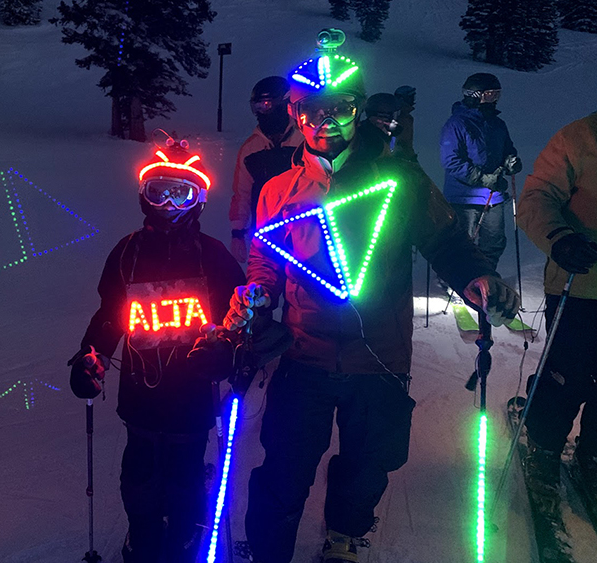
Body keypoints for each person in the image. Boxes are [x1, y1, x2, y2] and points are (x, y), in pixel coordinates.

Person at [223, 29, 519, 563]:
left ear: (356, 110)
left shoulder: (398, 178)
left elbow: (444, 239)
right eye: (310, 108)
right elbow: (266, 260)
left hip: (379, 355)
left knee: (368, 462)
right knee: (285, 463)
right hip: (301, 352)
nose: (323, 120)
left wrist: (477, 277)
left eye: (338, 107)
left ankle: (343, 537)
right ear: (295, 111)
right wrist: (255, 296)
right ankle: (269, 549)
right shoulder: (277, 190)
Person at [69, 137, 245, 563]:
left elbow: (239, 319)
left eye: (180, 192)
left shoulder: (213, 257)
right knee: (142, 470)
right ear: (144, 195)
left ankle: (184, 531)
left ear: (198, 198)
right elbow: (110, 314)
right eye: (158, 190)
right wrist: (90, 356)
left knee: (185, 469)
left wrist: (230, 354)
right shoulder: (128, 252)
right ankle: (143, 532)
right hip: (140, 387)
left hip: (192, 388)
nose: (168, 202)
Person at [515, 48, 597, 531]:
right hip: (583, 287)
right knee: (567, 378)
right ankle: (544, 448)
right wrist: (560, 238)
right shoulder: (582, 137)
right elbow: (537, 198)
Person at [439, 73, 522, 270]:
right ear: (475, 95)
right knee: (463, 243)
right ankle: (459, 281)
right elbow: (451, 161)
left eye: (497, 95)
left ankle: (486, 276)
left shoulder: (497, 124)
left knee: (494, 243)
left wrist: (511, 161)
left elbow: (507, 148)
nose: (494, 100)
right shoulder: (457, 124)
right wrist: (482, 179)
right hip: (464, 197)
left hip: (493, 196)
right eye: (490, 95)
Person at [229, 76, 304, 263]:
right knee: (263, 286)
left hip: (302, 233)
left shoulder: (304, 140)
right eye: (258, 107)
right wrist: (238, 233)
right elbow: (241, 193)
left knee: (299, 287)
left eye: (267, 105)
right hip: (265, 233)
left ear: (284, 103)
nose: (262, 112)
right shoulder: (251, 148)